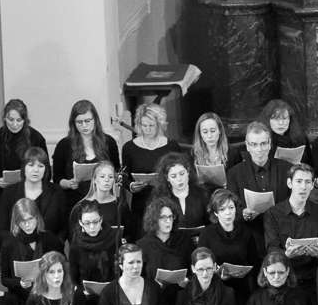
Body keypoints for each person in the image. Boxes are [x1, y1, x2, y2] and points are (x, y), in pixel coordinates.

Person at [263, 161, 318, 300]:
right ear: (289, 183)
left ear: (313, 185)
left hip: (313, 280)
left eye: (308, 182)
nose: (303, 187)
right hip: (285, 280)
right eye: (299, 181)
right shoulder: (273, 214)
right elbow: (271, 250)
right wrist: (285, 255)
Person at [121, 102, 180, 235]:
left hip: (167, 200)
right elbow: (124, 176)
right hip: (141, 203)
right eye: (144, 125)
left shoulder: (171, 146)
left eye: (151, 126)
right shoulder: (129, 148)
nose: (147, 129)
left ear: (159, 124)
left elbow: (179, 172)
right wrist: (131, 185)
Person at [0, 98, 48, 202]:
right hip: (2, 197)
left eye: (19, 120)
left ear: (25, 120)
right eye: (10, 120)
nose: (14, 124)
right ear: (4, 118)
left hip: (31, 197)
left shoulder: (36, 138)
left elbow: (47, 172)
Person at [52, 99, 121, 196]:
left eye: (87, 121)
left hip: (104, 198)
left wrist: (112, 177)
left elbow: (117, 170)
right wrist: (68, 184)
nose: (84, 125)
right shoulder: (64, 145)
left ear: (95, 120)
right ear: (73, 123)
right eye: (79, 122)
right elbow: (57, 178)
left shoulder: (109, 142)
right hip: (74, 200)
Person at [154, 151, 210, 230]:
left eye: (182, 173)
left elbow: (211, 223)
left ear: (188, 171)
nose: (179, 179)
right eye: (173, 176)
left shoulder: (202, 193)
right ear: (167, 178)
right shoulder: (160, 197)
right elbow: (154, 226)